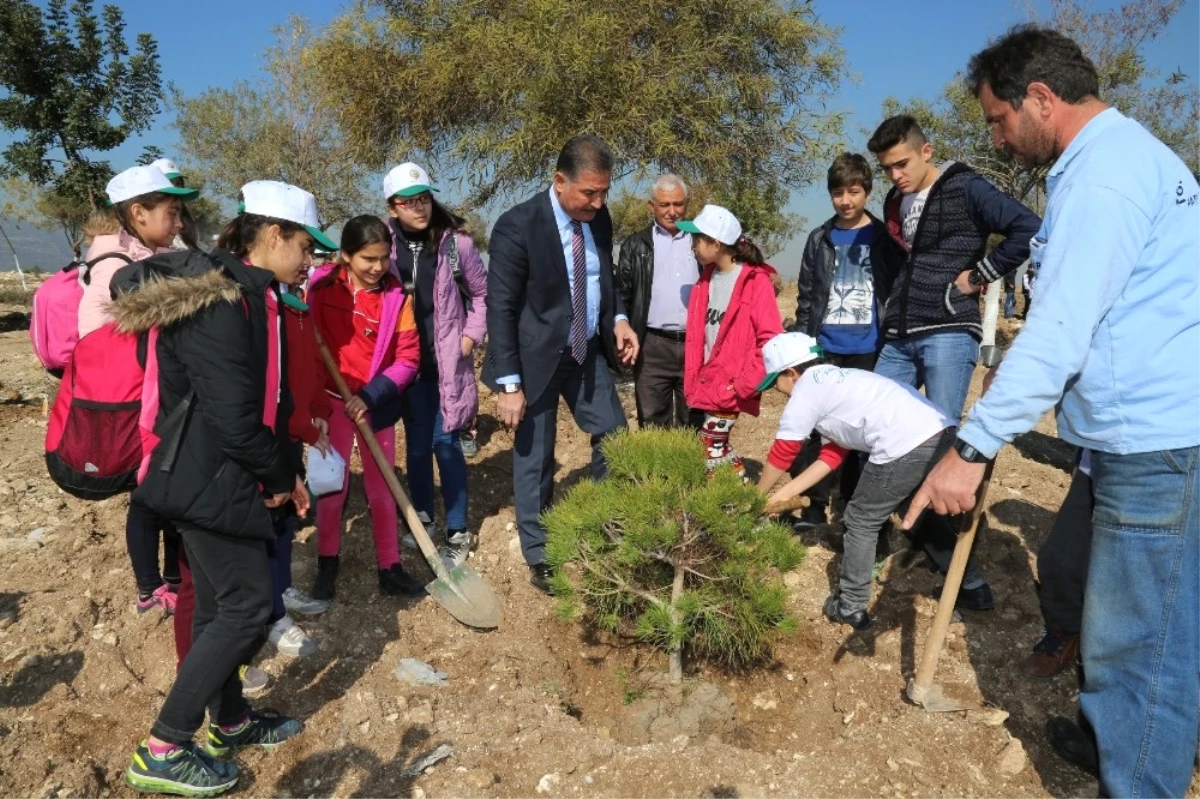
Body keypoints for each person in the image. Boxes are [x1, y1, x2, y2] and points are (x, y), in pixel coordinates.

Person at [907, 26, 1200, 797]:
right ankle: (1124, 742)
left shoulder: (1103, 177)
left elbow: (1061, 330)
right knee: (1129, 613)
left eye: (1000, 119)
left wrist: (970, 447)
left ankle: (1139, 774)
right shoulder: (1122, 157)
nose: (998, 137)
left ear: (1042, 98)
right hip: (1134, 432)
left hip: (1152, 440)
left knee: (1137, 644)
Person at [114, 179, 333, 795]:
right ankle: (164, 747)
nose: (311, 259)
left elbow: (260, 403)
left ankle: (229, 719)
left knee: (215, 607)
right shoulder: (220, 302)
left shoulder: (251, 294)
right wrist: (282, 477)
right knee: (244, 609)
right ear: (271, 235)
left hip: (214, 475)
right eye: (305, 246)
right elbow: (234, 417)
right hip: (207, 480)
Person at [485, 134, 639, 595]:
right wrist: (509, 383)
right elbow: (501, 306)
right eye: (589, 193)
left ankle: (606, 521)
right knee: (535, 456)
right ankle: (539, 550)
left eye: (604, 192)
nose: (598, 202)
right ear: (559, 181)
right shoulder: (518, 226)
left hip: (584, 351)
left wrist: (618, 318)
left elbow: (602, 276)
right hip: (533, 361)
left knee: (613, 434)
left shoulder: (598, 218)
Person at [756, 332, 981, 630]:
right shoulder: (840, 382)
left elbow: (784, 450)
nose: (778, 391)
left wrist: (757, 496)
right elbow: (831, 457)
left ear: (791, 372)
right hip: (941, 433)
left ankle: (850, 606)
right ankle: (971, 585)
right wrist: (783, 494)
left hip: (906, 442)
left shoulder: (807, 388)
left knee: (861, 518)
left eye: (776, 383)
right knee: (913, 507)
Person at [866, 114, 1040, 423]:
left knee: (938, 431)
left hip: (949, 331)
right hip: (900, 334)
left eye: (902, 164)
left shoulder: (966, 186)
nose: (895, 175)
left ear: (927, 151)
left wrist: (979, 276)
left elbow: (1029, 229)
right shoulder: (895, 200)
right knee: (872, 423)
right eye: (887, 168)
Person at [83, 165, 199, 616]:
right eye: (170, 212)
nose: (177, 221)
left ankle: (170, 578)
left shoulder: (146, 255)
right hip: (129, 399)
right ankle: (149, 588)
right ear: (138, 212)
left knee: (164, 489)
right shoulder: (118, 266)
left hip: (151, 395)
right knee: (147, 498)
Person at [307, 215, 427, 600]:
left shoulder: (397, 298)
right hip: (330, 403)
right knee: (331, 486)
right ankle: (327, 561)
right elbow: (309, 347)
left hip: (376, 405)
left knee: (381, 487)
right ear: (345, 255)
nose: (377, 268)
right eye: (367, 259)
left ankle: (390, 566)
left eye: (383, 258)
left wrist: (371, 396)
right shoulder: (321, 288)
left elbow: (408, 360)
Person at [382, 162, 488, 567]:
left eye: (424, 198)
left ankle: (458, 528)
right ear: (392, 208)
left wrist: (469, 336)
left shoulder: (454, 245)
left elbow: (482, 295)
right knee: (418, 443)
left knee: (447, 443)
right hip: (406, 366)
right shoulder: (384, 246)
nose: (419, 208)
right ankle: (422, 516)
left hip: (448, 363)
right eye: (409, 202)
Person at [789, 153, 898, 529]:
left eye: (853, 191)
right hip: (826, 348)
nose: (846, 200)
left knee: (860, 431)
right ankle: (814, 504)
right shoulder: (818, 239)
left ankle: (851, 504)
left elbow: (893, 293)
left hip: (868, 349)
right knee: (817, 427)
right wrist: (806, 349)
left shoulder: (884, 237)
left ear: (867, 191)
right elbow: (806, 297)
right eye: (838, 193)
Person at [678, 204, 783, 477]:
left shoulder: (754, 281)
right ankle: (733, 506)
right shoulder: (706, 278)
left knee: (710, 445)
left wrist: (743, 384)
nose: (693, 247)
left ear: (716, 243)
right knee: (712, 450)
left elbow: (771, 340)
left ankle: (741, 502)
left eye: (698, 240)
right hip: (707, 383)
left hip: (731, 387)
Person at [615, 174, 699, 429]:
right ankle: (658, 471)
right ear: (652, 206)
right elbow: (623, 294)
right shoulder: (635, 245)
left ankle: (691, 470)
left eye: (678, 204)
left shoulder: (703, 241)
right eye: (665, 205)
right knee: (652, 423)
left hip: (696, 346)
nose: (672, 211)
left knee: (694, 422)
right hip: (651, 347)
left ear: (686, 204)